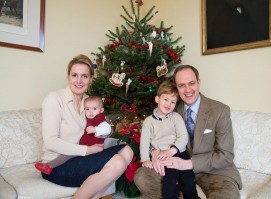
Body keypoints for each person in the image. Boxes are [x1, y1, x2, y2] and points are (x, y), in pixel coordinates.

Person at [134, 65, 242, 199]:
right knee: (142, 176)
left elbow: (226, 155)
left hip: (216, 172)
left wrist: (187, 164)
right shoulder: (171, 107)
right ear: (177, 88)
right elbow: (154, 133)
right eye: (181, 85)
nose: (188, 90)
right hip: (176, 169)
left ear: (199, 83)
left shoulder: (220, 110)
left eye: (191, 83)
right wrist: (154, 152)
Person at [39, 54, 133, 199]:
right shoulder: (54, 99)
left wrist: (102, 134)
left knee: (127, 151)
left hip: (81, 157)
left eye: (84, 76)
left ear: (90, 79)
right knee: (117, 162)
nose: (79, 81)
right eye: (74, 75)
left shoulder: (90, 103)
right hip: (55, 165)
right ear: (68, 77)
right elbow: (51, 141)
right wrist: (87, 150)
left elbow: (98, 128)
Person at [140, 81, 200, 199]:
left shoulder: (176, 117)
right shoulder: (148, 121)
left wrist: (172, 151)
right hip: (162, 156)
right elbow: (144, 142)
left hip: (180, 153)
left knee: (188, 180)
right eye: (165, 99)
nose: (169, 104)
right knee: (171, 182)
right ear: (157, 99)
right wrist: (146, 159)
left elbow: (183, 136)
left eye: (173, 102)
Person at [34, 96, 112, 175]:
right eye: (87, 109)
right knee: (68, 154)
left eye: (94, 109)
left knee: (68, 155)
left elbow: (107, 129)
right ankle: (49, 166)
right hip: (84, 147)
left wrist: (95, 130)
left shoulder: (99, 118)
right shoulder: (88, 117)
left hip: (94, 148)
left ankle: (49, 166)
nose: (91, 112)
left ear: (101, 110)